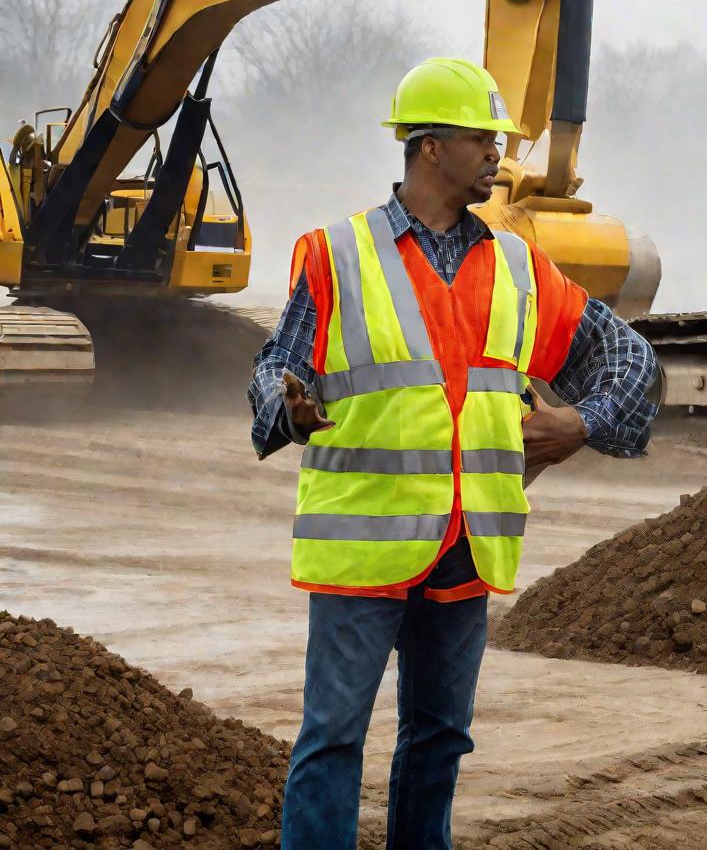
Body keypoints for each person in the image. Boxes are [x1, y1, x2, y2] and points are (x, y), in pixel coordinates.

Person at [247, 57, 658, 850]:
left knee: (439, 741)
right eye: (483, 138)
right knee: (333, 740)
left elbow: (631, 361)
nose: (499, 155)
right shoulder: (337, 255)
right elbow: (274, 368)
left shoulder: (516, 265)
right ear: (430, 146)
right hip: (364, 548)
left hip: (467, 544)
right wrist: (288, 410)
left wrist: (585, 423)